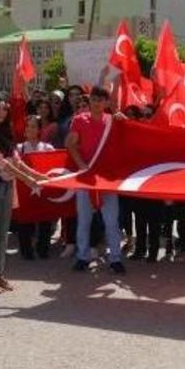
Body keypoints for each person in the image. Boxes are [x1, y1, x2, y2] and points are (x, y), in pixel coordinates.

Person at [0, 92, 45, 293]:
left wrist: (39, 176)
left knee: (2, 233)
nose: (2, 112)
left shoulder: (6, 131)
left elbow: (16, 159)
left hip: (6, 186)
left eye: (5, 108)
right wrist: (29, 180)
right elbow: (0, 162)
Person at [66, 86, 127, 274]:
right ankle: (83, 257)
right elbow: (70, 144)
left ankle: (115, 258)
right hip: (86, 177)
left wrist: (125, 121)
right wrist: (82, 165)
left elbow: (130, 139)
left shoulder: (113, 120)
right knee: (83, 219)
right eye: (93, 99)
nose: (97, 103)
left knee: (111, 220)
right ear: (89, 100)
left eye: (101, 100)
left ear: (107, 102)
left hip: (108, 178)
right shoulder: (79, 120)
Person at [14, 115, 56, 260]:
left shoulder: (48, 147)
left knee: (45, 218)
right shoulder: (19, 148)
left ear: (39, 130)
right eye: (28, 126)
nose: (30, 129)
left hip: (43, 188)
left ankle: (43, 248)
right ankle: (26, 250)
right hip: (25, 188)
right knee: (25, 219)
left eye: (33, 126)